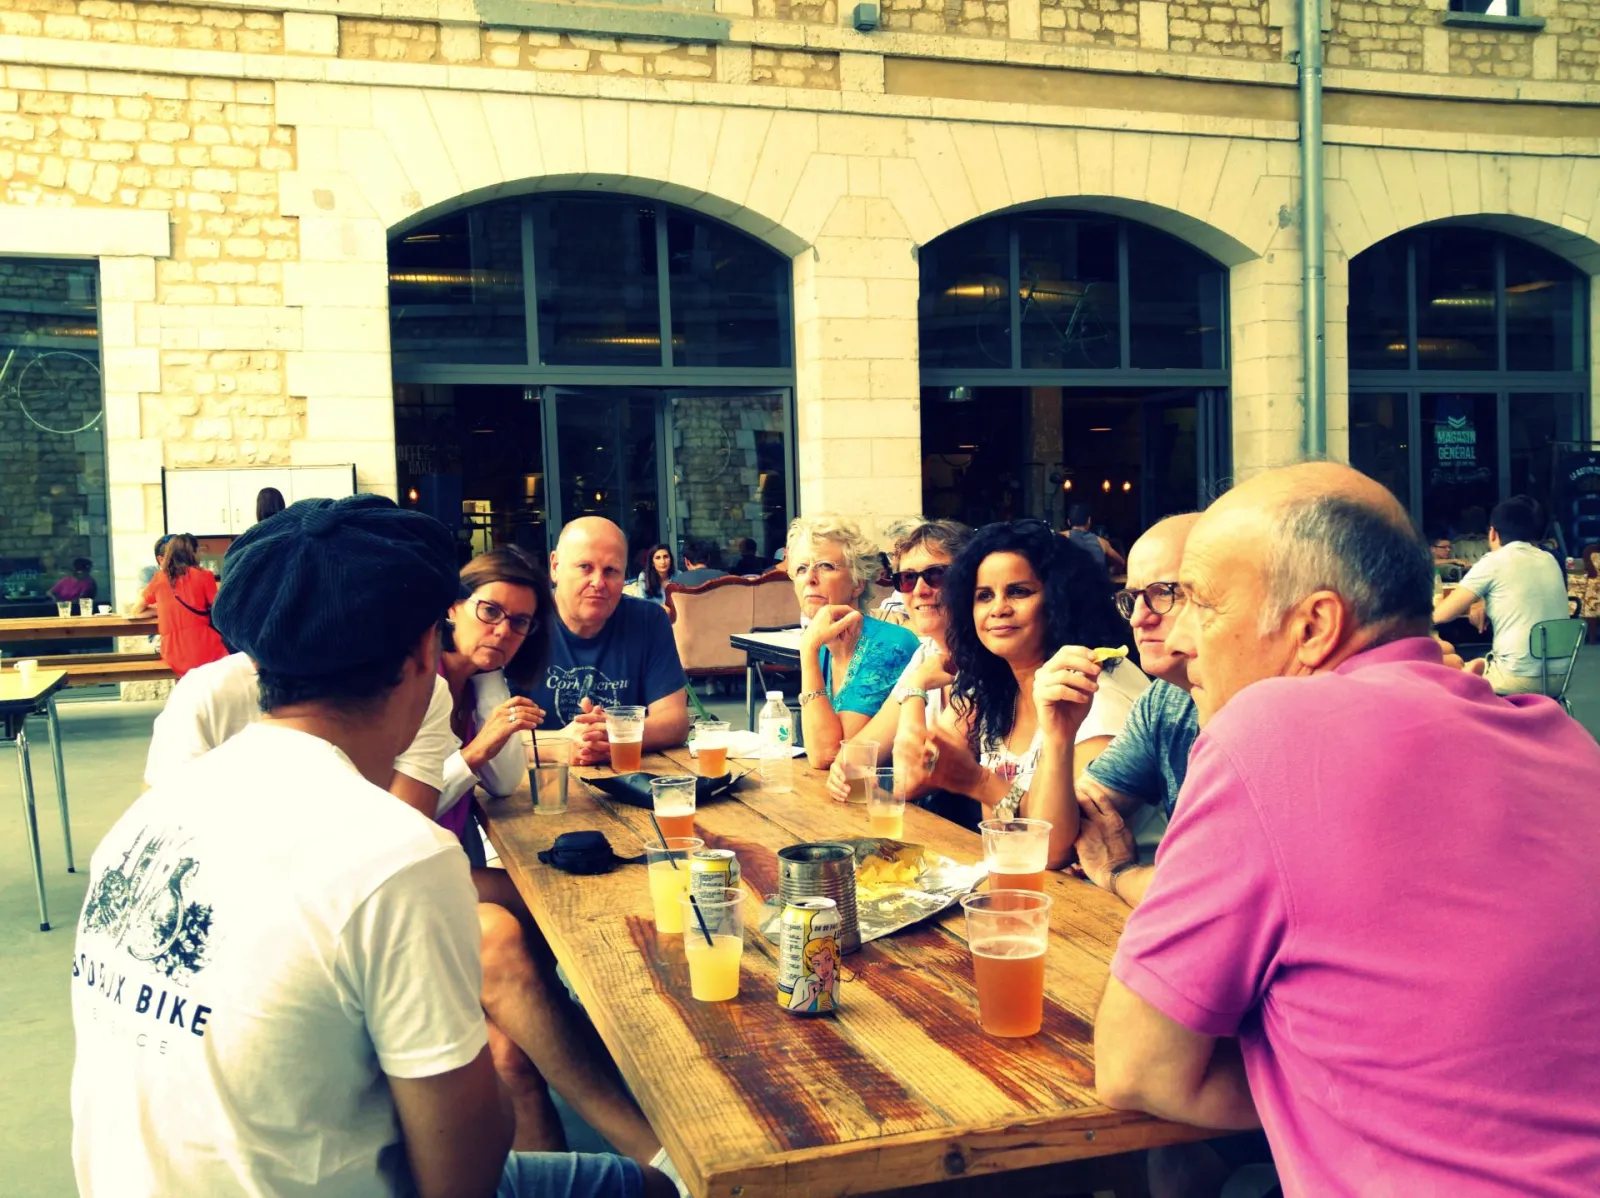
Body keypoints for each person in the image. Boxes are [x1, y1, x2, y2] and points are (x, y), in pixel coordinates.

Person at [72, 495, 671, 1198]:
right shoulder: (395, 855)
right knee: (642, 1188)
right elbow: (462, 1175)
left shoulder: (145, 819)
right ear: (425, 649)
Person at [1093, 463, 1600, 1197]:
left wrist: (1327, 1086)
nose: (1181, 636)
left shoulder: (1268, 729)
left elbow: (1136, 1069)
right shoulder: (1558, 736)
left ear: (1313, 627)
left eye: (1199, 604)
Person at [893, 520, 1145, 856]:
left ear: (1060, 599)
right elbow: (910, 777)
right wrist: (917, 685)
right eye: (984, 596)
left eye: (1018, 591)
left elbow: (1050, 848)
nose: (998, 608)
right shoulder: (995, 686)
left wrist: (979, 782)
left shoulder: (1094, 686)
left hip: (1117, 900)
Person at [1069, 514, 1202, 902]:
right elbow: (1076, 823)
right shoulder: (1167, 697)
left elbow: (1217, 895)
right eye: (1132, 598)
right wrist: (1059, 734)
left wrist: (1119, 873)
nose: (1141, 617)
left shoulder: (1283, 711)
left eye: (1164, 593)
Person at [824, 520, 972, 799]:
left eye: (936, 575)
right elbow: (862, 750)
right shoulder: (926, 652)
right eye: (907, 578)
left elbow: (912, 779)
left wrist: (916, 686)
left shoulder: (983, 663)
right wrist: (843, 770)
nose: (920, 590)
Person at [524, 517, 689, 767]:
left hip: (629, 781)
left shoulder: (648, 620)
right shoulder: (520, 621)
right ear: (555, 566)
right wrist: (559, 744)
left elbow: (675, 722)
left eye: (611, 571)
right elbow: (489, 735)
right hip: (538, 786)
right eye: (585, 567)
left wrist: (614, 733)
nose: (598, 583)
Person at [787, 515, 920, 770]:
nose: (810, 579)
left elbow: (828, 755)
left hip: (893, 799)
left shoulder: (889, 645)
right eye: (801, 569)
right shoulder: (827, 643)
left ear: (858, 584)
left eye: (825, 566)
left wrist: (808, 649)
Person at [1432, 495, 1570, 695]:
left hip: (1516, 678)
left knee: (1450, 665)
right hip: (1560, 679)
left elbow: (1441, 615)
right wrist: (1486, 605)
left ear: (1493, 533)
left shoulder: (1494, 561)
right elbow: (1525, 597)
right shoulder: (1550, 560)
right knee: (1473, 659)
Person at [129, 534, 229, 678]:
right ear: (192, 552)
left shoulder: (159, 577)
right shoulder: (205, 575)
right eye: (198, 550)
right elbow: (218, 610)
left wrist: (162, 610)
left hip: (172, 650)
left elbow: (137, 611)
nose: (201, 554)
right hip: (202, 644)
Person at [1063, 503, 1125, 577]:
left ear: (1068, 522)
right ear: (1089, 521)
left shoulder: (1060, 537)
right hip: (1096, 586)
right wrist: (1109, 572)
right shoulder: (1102, 542)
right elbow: (1121, 562)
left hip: (1069, 587)